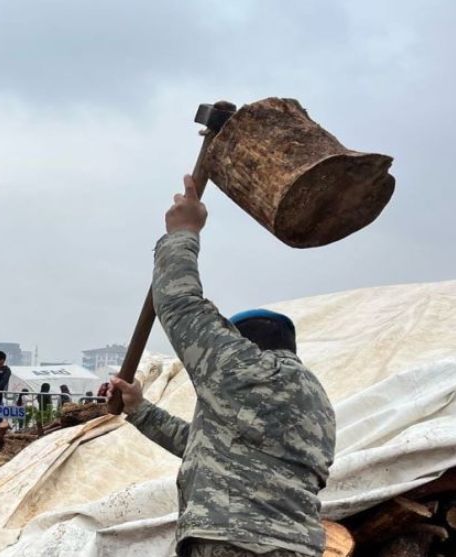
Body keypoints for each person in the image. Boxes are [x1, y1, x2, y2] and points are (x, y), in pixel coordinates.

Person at [110, 175, 335, 557]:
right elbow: (205, 446)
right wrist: (139, 410)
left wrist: (183, 231)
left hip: (238, 542)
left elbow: (179, 306)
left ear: (243, 341)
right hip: (294, 546)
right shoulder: (315, 402)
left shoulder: (246, 370)